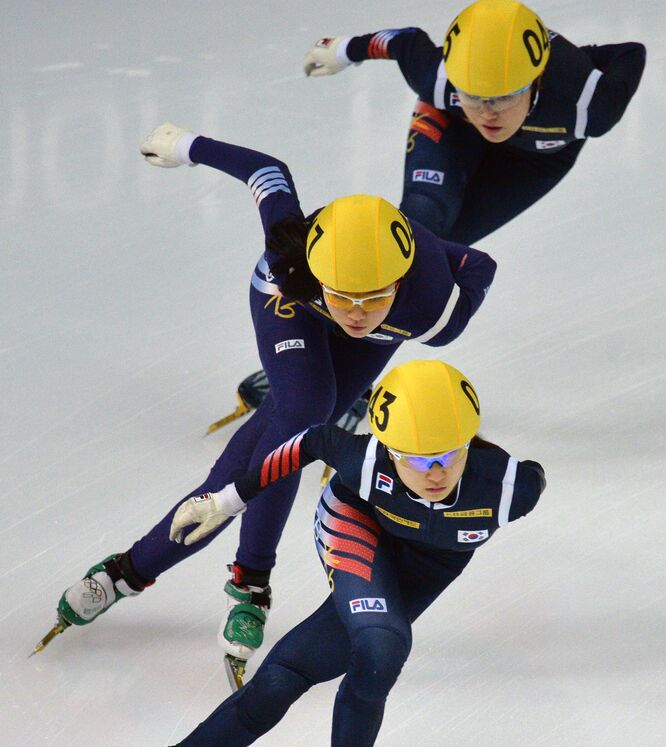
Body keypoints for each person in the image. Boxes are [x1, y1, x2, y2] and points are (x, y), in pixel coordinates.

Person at [42, 123, 496, 670]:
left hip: (381, 320)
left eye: (372, 297)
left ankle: (129, 571)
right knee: (304, 412)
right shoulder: (294, 256)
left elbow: (478, 264)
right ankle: (252, 580)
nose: (355, 311)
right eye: (345, 296)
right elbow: (268, 173)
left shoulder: (434, 313)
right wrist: (186, 145)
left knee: (275, 436)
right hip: (293, 303)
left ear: (399, 285)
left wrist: (420, 275)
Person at [74, 359, 545, 747]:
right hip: (358, 524)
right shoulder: (365, 460)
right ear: (387, 448)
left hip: (425, 568)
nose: (433, 472)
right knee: (384, 641)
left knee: (283, 679)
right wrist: (228, 501)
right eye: (412, 457)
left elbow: (528, 478)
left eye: (448, 456)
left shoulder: (514, 488)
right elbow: (312, 441)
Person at [303, 0, 646, 244]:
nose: (486, 113)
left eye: (503, 97)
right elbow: (403, 41)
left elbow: (630, 51)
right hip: (455, 125)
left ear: (538, 79)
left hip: (538, 158)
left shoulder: (588, 105)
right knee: (422, 223)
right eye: (473, 95)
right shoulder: (437, 80)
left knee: (447, 246)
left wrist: (581, 60)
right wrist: (346, 49)